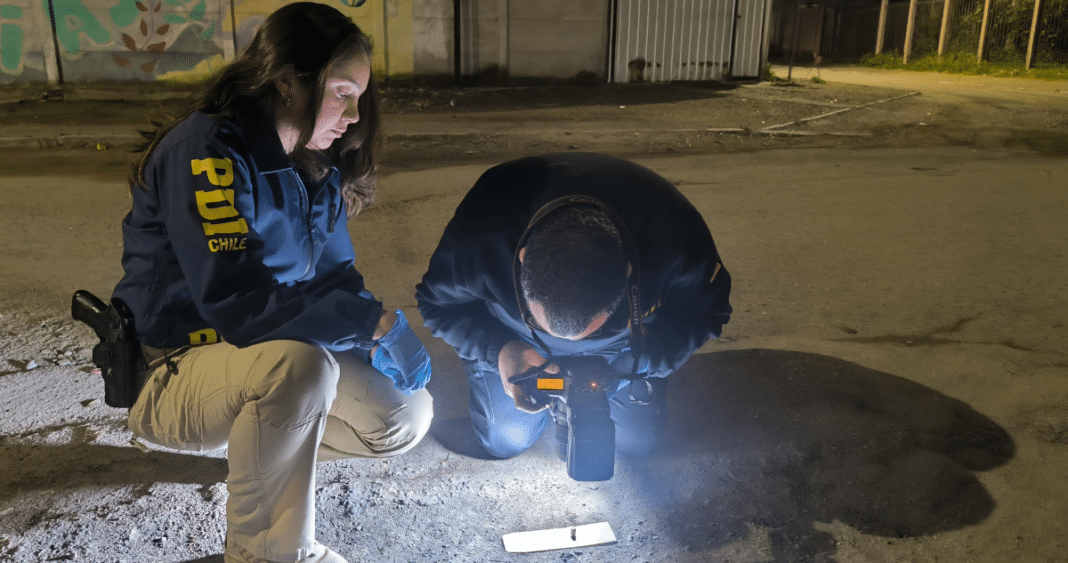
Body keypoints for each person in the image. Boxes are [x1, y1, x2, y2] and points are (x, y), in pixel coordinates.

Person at [110, 4, 433, 562]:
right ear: (288, 82)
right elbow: (239, 304)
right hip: (174, 369)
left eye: (360, 94)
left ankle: (257, 450)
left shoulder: (315, 162)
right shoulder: (207, 150)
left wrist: (373, 332)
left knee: (405, 416)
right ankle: (266, 553)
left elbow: (336, 277)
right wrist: (367, 324)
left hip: (253, 365)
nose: (355, 114)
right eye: (340, 92)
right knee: (301, 365)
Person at [415, 152, 731, 461]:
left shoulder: (677, 242)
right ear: (523, 259)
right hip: (518, 344)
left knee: (636, 443)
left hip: (622, 350)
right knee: (508, 439)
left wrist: (644, 361)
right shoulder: (481, 238)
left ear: (626, 275)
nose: (569, 347)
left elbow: (704, 313)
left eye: (590, 326)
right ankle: (511, 368)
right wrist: (497, 348)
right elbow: (437, 304)